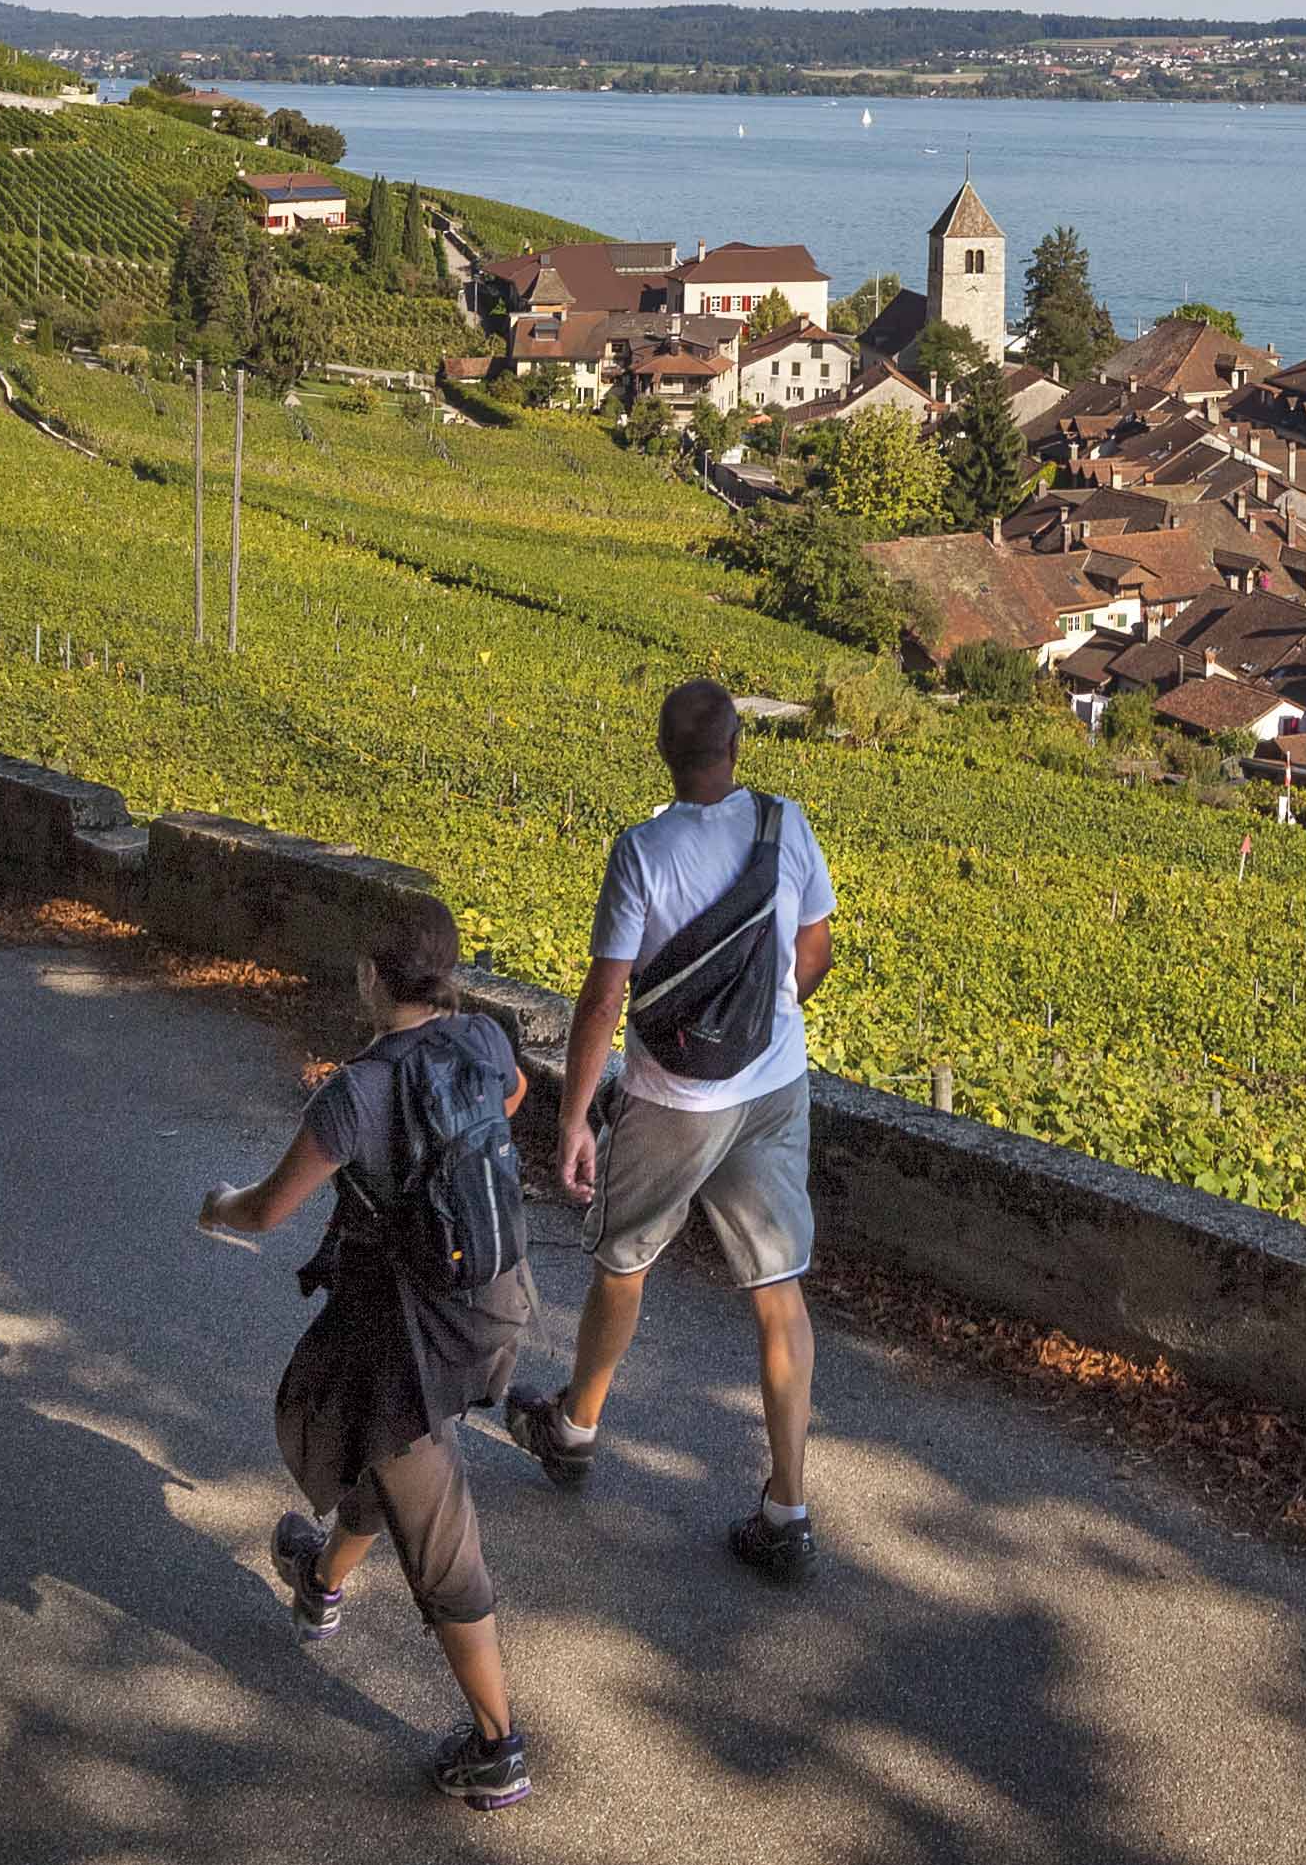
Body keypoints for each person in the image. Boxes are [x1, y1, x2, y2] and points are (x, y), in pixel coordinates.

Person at [197, 891, 540, 1810]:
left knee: (438, 1533)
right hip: (496, 1305)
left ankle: (497, 1749)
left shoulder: (354, 1093)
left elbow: (268, 1209)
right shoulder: (485, 1044)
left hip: (412, 1341)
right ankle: (320, 1580)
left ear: (370, 978)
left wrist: (216, 1203)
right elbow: (509, 1100)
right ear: (450, 974)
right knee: (378, 1454)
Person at [506, 677, 835, 1585]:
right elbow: (813, 956)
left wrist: (573, 1114)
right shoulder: (786, 825)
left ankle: (573, 1430)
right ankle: (787, 1509)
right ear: (736, 746)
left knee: (623, 1261)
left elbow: (605, 993)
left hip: (670, 1101)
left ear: (664, 753)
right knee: (778, 1292)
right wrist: (760, 1023)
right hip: (772, 1089)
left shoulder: (641, 850)